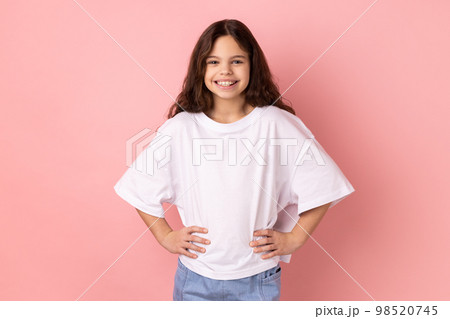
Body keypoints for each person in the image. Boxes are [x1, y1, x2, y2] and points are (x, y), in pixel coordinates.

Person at [113, 19, 355, 301]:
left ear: (253, 65)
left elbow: (325, 184)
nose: (225, 71)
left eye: (237, 61)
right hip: (195, 276)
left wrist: (295, 237)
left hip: (258, 280)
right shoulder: (181, 128)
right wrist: (165, 235)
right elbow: (138, 187)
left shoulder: (277, 124)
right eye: (213, 61)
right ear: (200, 68)